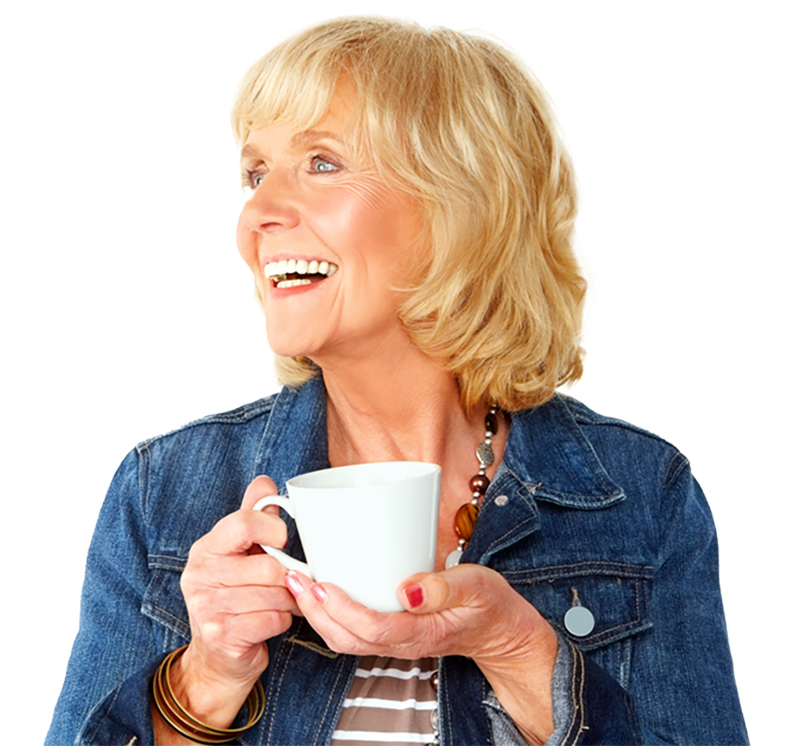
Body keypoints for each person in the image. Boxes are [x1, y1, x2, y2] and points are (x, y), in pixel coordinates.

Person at [47, 16, 748, 746]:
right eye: (255, 174)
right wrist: (206, 680)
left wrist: (515, 648)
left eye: (322, 162)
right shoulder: (164, 491)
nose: (257, 213)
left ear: (461, 208)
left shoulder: (640, 494)